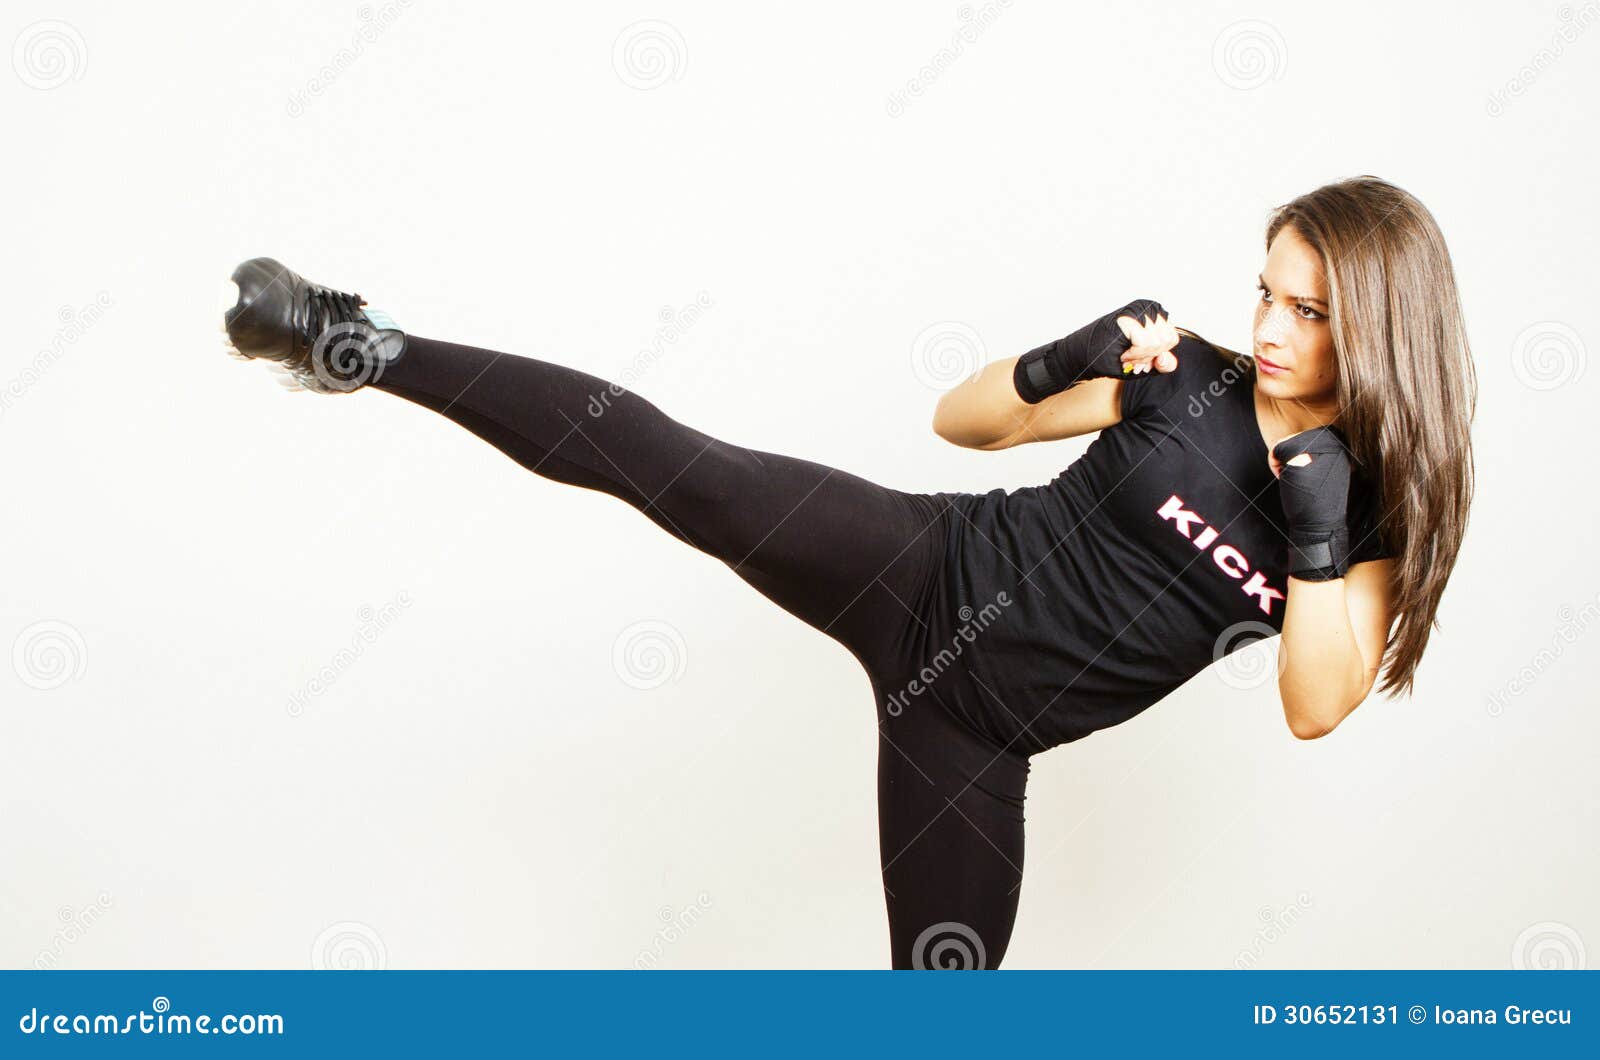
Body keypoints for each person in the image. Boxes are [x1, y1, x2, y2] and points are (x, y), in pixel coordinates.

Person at [219, 174, 1475, 969]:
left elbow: (1317, 702)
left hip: (974, 741)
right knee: (679, 465)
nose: (1264, 327)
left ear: (1377, 321)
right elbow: (961, 423)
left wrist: (1314, 526)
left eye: (1306, 312)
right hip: (924, 567)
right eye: (1265, 292)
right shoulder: (1188, 373)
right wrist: (1057, 363)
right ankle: (354, 340)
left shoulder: (1370, 527)